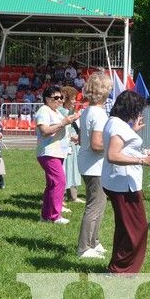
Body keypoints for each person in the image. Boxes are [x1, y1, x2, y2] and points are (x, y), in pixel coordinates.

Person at [101, 91, 150, 273]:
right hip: (122, 185)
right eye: (138, 109)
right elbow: (113, 155)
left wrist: (133, 133)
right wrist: (143, 160)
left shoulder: (115, 123)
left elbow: (124, 147)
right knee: (136, 229)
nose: (139, 112)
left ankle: (117, 268)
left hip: (119, 182)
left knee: (125, 228)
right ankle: (121, 270)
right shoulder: (118, 126)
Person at [76, 72, 113, 258]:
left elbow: (84, 138)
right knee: (94, 206)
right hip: (95, 166)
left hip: (88, 163)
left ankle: (94, 241)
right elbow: (97, 144)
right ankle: (84, 247)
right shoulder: (98, 114)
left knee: (100, 204)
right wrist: (115, 145)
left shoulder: (87, 110)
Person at [35, 85, 79, 224]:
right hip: (49, 152)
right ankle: (55, 216)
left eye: (61, 97)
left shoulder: (56, 112)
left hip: (57, 152)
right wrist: (64, 123)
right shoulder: (44, 110)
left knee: (52, 184)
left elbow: (61, 131)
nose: (60, 100)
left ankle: (46, 216)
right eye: (56, 98)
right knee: (60, 182)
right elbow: (44, 131)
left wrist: (74, 137)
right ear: (47, 99)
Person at [60, 86, 83, 205]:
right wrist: (70, 137)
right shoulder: (61, 112)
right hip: (64, 146)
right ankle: (61, 197)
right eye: (73, 99)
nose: (75, 101)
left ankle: (73, 196)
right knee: (64, 171)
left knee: (73, 169)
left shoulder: (71, 112)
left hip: (73, 145)